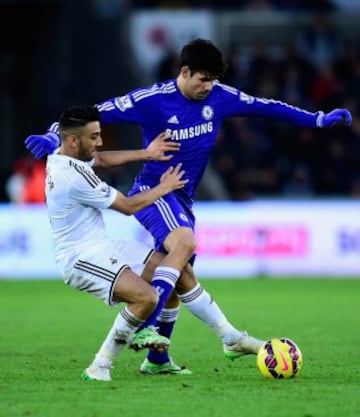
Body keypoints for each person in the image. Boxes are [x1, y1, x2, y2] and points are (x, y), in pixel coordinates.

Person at [25, 38, 352, 376]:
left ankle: (160, 358)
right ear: (184, 71)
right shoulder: (151, 101)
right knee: (183, 244)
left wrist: (316, 120)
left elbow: (266, 106)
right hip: (155, 191)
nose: (208, 87)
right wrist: (53, 137)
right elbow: (92, 115)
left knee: (180, 273)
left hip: (182, 197)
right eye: (203, 79)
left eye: (213, 80)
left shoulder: (220, 96)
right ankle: (152, 327)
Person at [45, 104, 190, 380]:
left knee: (173, 273)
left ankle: (157, 360)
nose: (99, 142)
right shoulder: (73, 178)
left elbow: (99, 159)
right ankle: (99, 365)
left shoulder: (62, 154)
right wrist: (165, 186)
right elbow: (128, 206)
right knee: (147, 297)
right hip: (81, 257)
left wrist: (146, 153)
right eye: (94, 137)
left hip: (103, 244)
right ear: (73, 140)